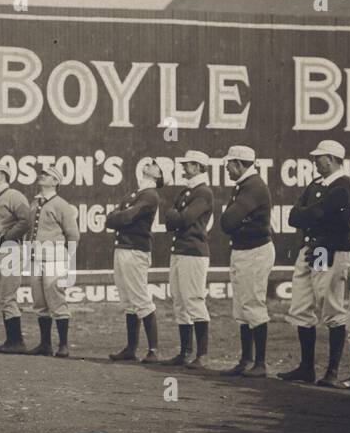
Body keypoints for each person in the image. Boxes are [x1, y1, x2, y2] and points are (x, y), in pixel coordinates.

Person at [279, 140, 350, 385]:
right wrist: (313, 213)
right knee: (301, 305)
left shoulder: (343, 185)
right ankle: (306, 367)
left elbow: (326, 217)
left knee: (329, 303)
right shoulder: (316, 184)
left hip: (326, 249)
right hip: (310, 247)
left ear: (332, 159)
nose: (315, 161)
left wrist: (311, 213)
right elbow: (294, 216)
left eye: (319, 157)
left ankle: (332, 371)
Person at [217, 146, 273, 377]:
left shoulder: (253, 186)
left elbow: (227, 221)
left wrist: (239, 222)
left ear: (239, 164)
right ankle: (246, 359)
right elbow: (230, 220)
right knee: (242, 306)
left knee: (253, 304)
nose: (226, 169)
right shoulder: (244, 185)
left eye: (228, 164)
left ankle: (260, 363)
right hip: (244, 250)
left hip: (255, 251)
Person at [106, 160, 164, 363]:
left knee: (140, 298)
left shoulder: (150, 194)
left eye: (154, 165)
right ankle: (131, 348)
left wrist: (117, 216)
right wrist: (117, 217)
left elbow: (125, 217)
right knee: (128, 300)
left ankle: (153, 350)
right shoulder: (135, 193)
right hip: (123, 247)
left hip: (135, 249)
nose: (150, 164)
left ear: (158, 175)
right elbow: (110, 219)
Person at [162, 150, 215, 369]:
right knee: (179, 300)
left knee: (193, 299)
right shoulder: (187, 191)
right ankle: (185, 351)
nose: (184, 168)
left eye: (187, 165)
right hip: (180, 250)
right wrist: (174, 215)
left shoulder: (203, 192)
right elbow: (170, 221)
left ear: (197, 167)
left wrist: (174, 214)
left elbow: (183, 219)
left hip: (194, 252)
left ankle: (201, 354)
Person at [26, 165, 80, 358]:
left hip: (55, 258)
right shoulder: (35, 203)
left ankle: (63, 345)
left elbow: (73, 234)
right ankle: (45, 344)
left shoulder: (61, 205)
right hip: (36, 257)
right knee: (40, 302)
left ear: (56, 182)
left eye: (47, 175)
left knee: (57, 300)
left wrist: (68, 260)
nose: (42, 176)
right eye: (42, 174)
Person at [0, 165, 31, 354]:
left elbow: (26, 220)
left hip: (10, 249)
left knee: (8, 294)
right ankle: (11, 340)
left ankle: (16, 341)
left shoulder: (14, 195)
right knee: (1, 295)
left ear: (3, 175)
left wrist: (8, 237)